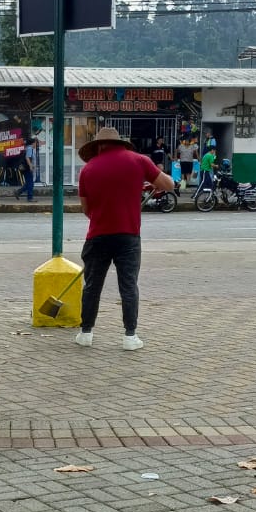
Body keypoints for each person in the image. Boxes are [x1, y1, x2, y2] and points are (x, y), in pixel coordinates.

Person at [75, 126, 173, 351]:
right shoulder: (139, 160)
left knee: (92, 286)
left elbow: (86, 209)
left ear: (98, 146)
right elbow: (168, 185)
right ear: (120, 143)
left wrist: (103, 215)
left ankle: (86, 333)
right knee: (128, 286)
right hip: (128, 236)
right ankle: (130, 336)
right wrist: (152, 181)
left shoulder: (87, 170)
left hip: (97, 236)